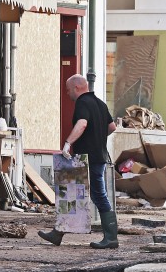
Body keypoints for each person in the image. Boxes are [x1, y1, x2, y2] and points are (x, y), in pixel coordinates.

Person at [38, 74, 119, 249]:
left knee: (98, 195)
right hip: (97, 156)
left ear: (77, 87)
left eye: (68, 90)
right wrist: (96, 137)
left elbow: (82, 124)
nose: (67, 94)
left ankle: (111, 238)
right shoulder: (101, 104)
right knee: (71, 193)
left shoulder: (83, 103)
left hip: (87, 159)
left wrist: (68, 143)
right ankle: (57, 233)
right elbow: (112, 127)